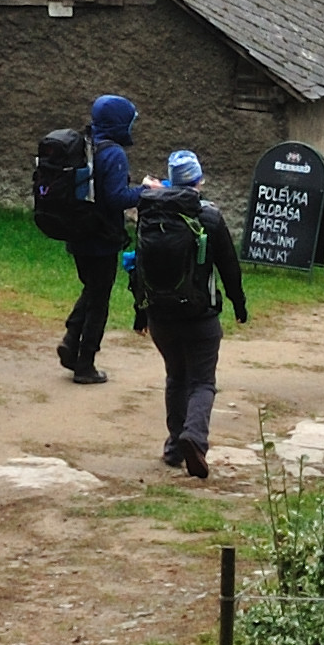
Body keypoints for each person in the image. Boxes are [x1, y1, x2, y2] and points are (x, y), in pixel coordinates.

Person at [126, 148, 248, 479]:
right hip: (200, 317)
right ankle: (194, 437)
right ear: (199, 181)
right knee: (202, 382)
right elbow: (229, 267)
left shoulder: (150, 215)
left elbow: (139, 269)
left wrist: (141, 314)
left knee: (176, 377)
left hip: (160, 316)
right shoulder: (209, 217)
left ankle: (173, 447)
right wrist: (239, 305)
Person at [53, 91, 139, 385]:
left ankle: (71, 341)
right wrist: (147, 191)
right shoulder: (113, 153)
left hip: (78, 230)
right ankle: (85, 363)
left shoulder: (87, 144)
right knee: (99, 300)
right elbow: (116, 198)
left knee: (92, 290)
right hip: (101, 236)